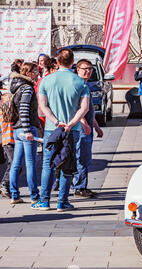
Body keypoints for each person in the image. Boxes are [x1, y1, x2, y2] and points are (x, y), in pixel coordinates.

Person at [32, 48, 91, 212]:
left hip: (53, 129)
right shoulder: (80, 83)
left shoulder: (46, 80)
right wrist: (71, 123)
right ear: (73, 62)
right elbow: (84, 108)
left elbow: (43, 106)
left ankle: (44, 200)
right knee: (68, 163)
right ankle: (62, 201)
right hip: (72, 130)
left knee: (47, 164)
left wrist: (56, 121)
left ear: (57, 62)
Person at [67, 58, 103, 198]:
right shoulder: (78, 85)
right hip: (81, 129)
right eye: (84, 69)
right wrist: (83, 122)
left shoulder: (85, 85)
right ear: (78, 70)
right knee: (81, 157)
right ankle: (79, 187)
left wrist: (97, 126)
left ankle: (80, 185)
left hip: (87, 128)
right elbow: (76, 108)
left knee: (85, 158)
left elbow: (89, 110)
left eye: (90, 69)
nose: (88, 71)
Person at [8, 62, 41, 204]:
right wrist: (28, 130)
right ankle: (34, 196)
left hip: (17, 129)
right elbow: (24, 110)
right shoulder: (27, 88)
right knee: (30, 163)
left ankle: (15, 195)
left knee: (16, 163)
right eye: (34, 71)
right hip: (25, 129)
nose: (37, 73)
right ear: (27, 73)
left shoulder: (17, 86)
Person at [0, 93, 16, 198]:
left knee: (14, 164)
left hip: (9, 140)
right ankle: (4, 184)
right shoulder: (5, 111)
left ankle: (6, 186)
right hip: (9, 140)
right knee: (14, 164)